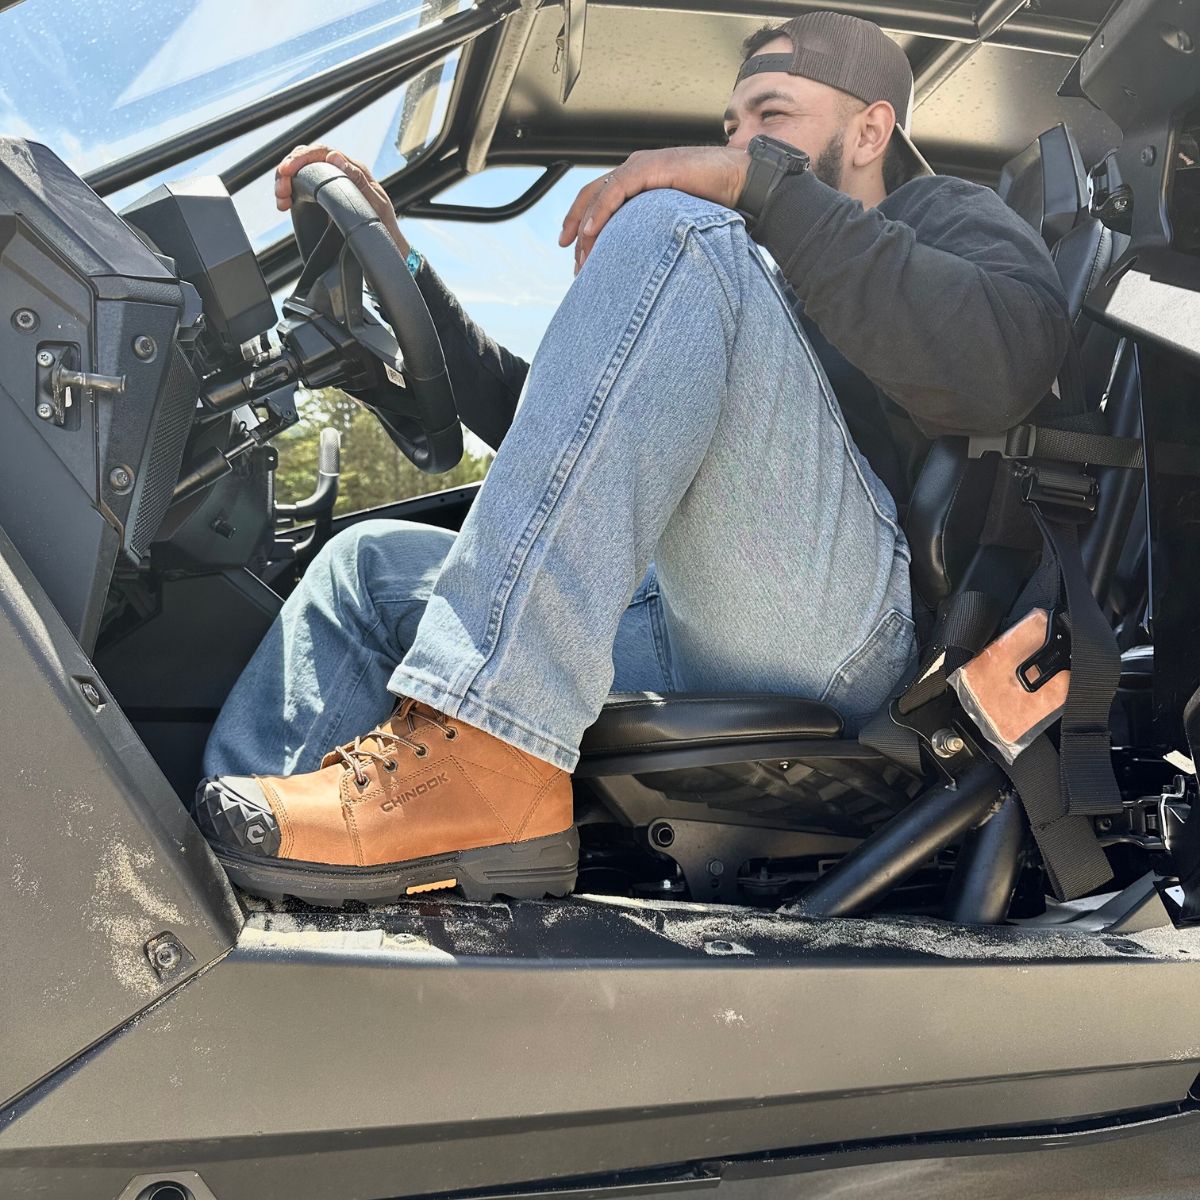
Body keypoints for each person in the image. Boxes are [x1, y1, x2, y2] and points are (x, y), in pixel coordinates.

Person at [191, 11, 1070, 904]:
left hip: (851, 634)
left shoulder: (942, 216)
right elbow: (566, 435)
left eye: (773, 117)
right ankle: (232, 866)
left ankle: (492, 765)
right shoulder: (753, 280)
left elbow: (1008, 365)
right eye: (733, 128)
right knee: (365, 571)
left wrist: (746, 189)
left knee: (676, 226)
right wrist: (408, 270)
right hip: (683, 607)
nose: (741, 145)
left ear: (870, 128)